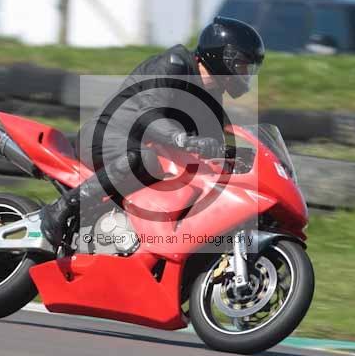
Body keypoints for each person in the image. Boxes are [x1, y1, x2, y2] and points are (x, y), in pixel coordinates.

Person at [39, 16, 265, 247]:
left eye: (249, 69)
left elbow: (215, 141)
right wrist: (182, 140)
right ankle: (61, 208)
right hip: (105, 136)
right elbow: (148, 115)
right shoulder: (173, 65)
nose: (245, 74)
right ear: (222, 58)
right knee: (144, 159)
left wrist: (244, 157)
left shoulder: (212, 95)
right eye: (242, 66)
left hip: (146, 151)